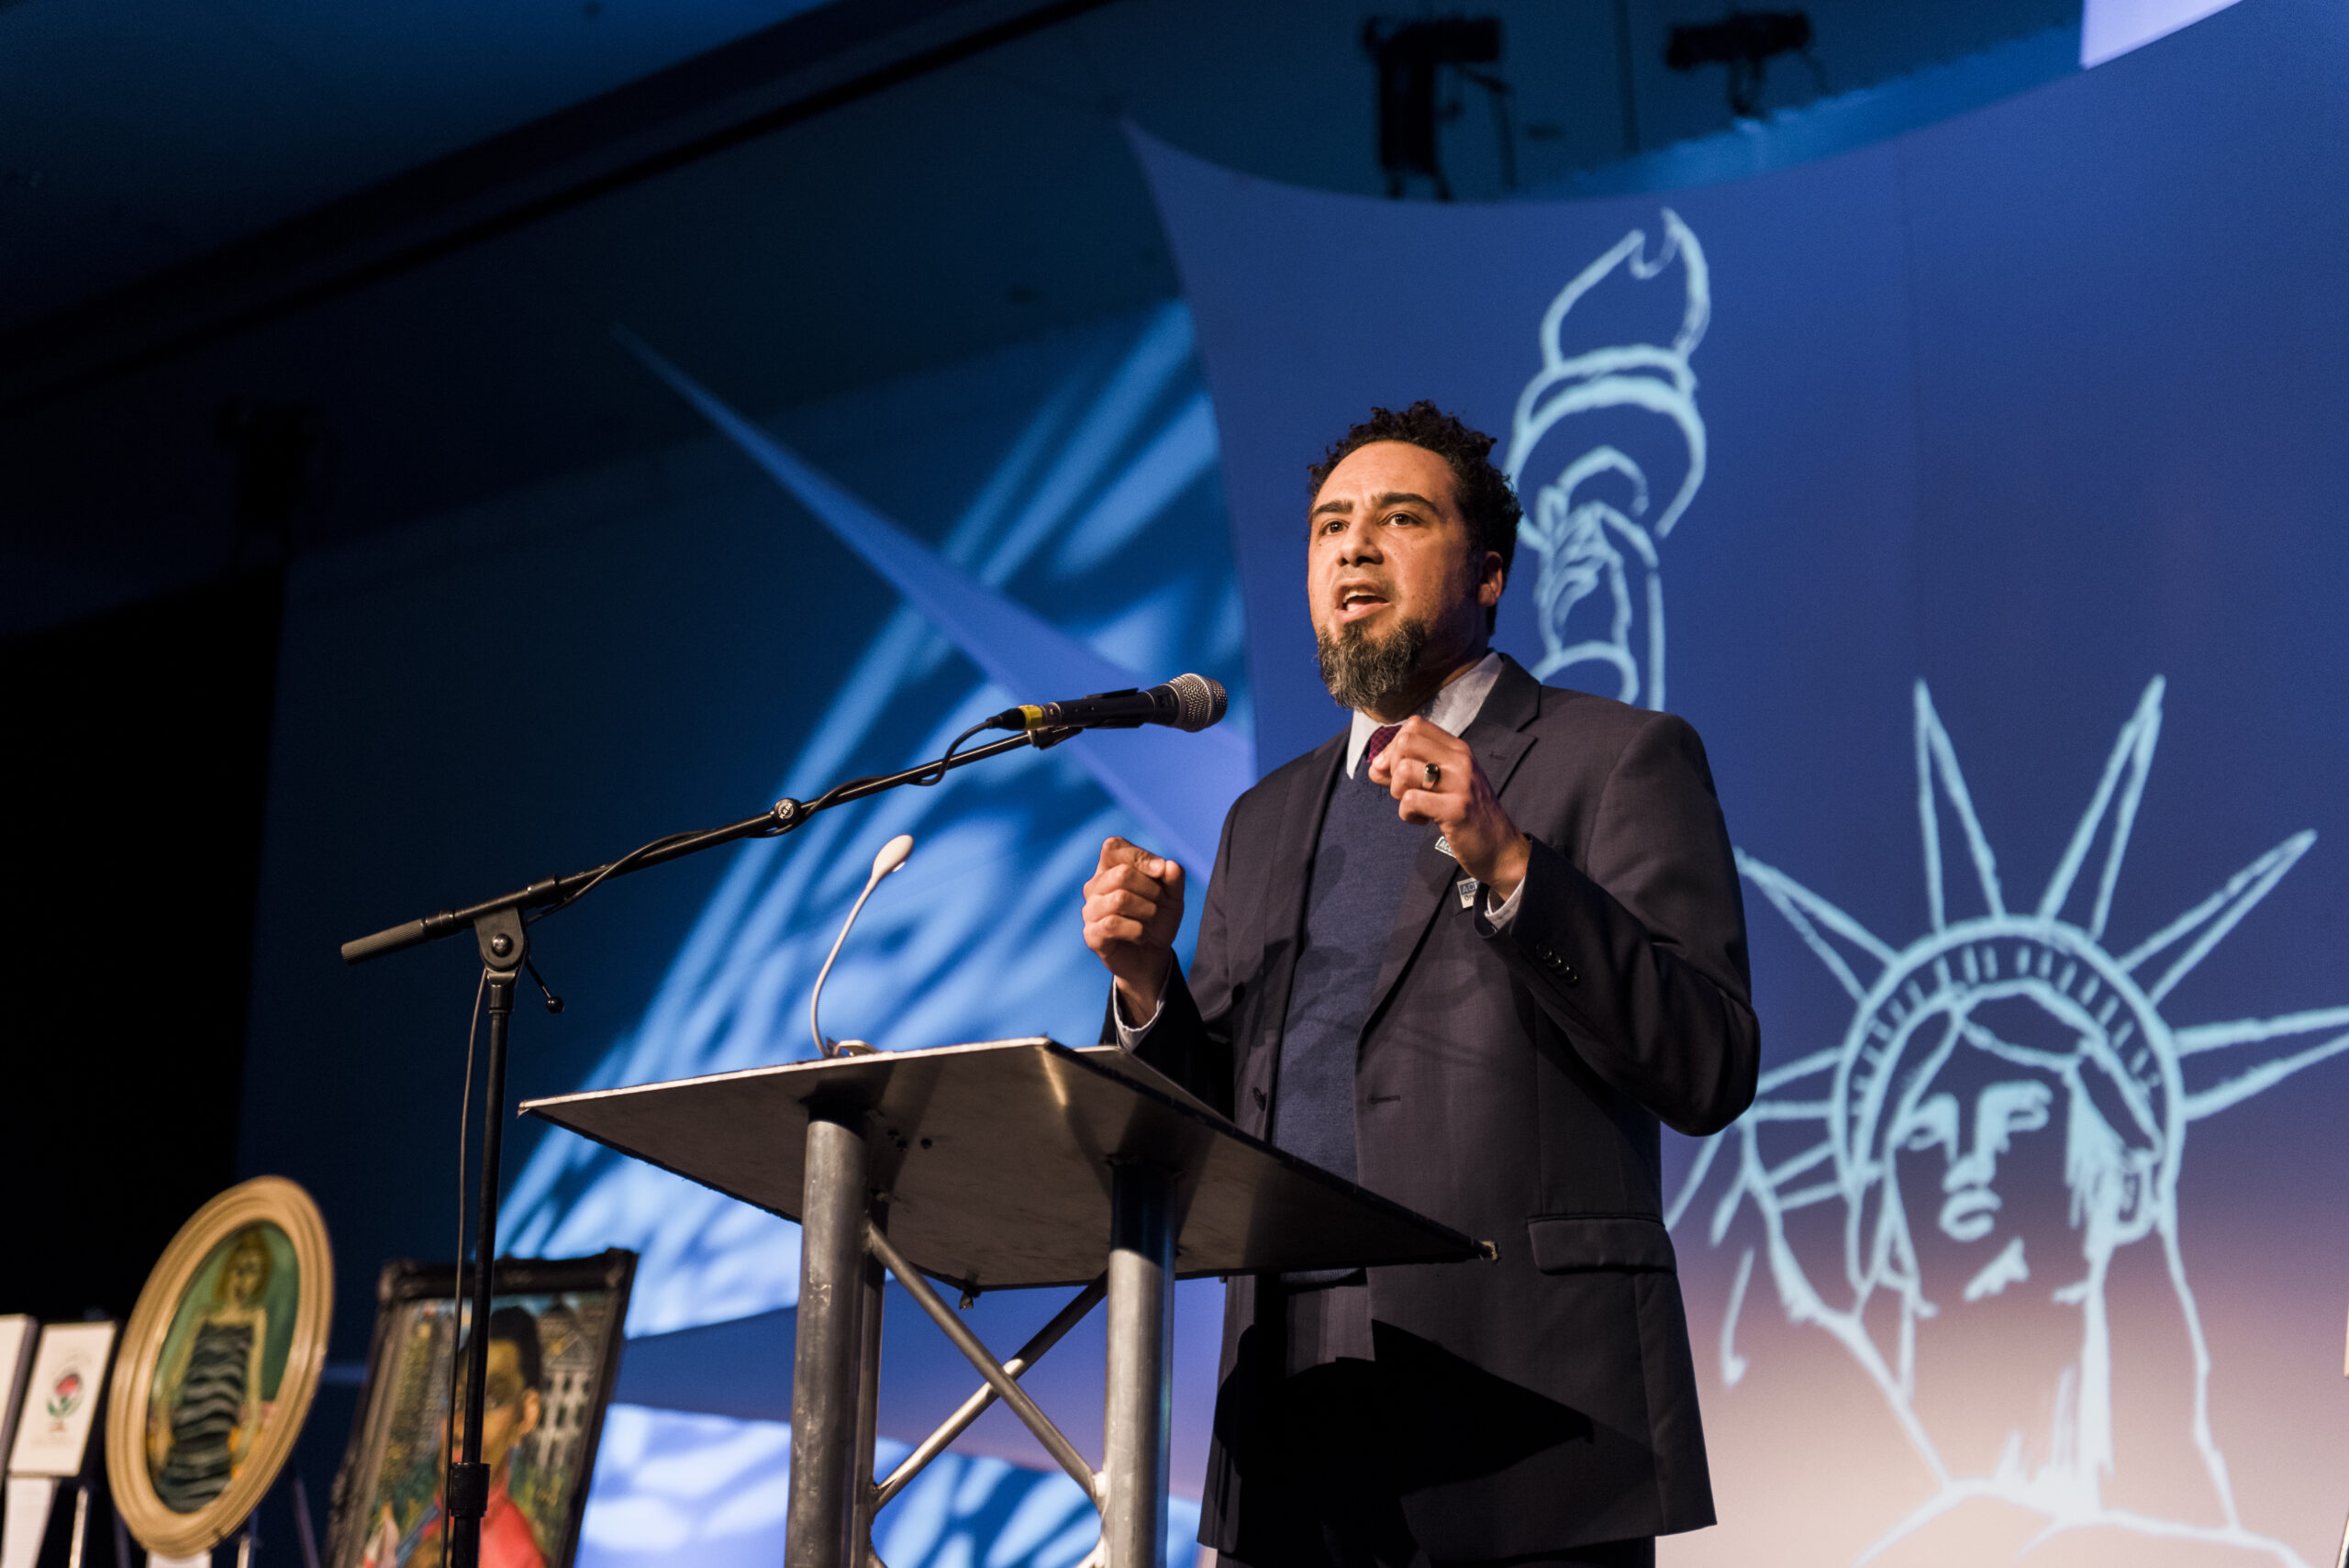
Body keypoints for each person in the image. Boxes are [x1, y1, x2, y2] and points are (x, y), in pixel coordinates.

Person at [1080, 402, 1758, 1568]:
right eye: (1328, 526)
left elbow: (1707, 1059)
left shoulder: (1618, 755)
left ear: (1488, 574)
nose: (1352, 546)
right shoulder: (1266, 816)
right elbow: (1218, 1111)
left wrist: (1510, 864)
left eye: (1399, 518)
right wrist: (1146, 992)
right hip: (1287, 1402)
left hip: (1526, 1406)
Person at [365, 1307, 549, 1568]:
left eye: (493, 1401)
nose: (461, 1428)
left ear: (527, 1415)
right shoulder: (426, 1515)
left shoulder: (513, 1555)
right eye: (458, 1399)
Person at [150, 1227, 274, 1511]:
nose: (244, 1277)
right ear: (229, 1269)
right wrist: (163, 1432)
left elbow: (252, 1386)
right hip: (184, 1442)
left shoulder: (255, 1318)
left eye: (252, 1270)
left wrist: (250, 1430)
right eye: (239, 1268)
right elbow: (172, 1379)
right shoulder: (203, 1318)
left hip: (217, 1446)